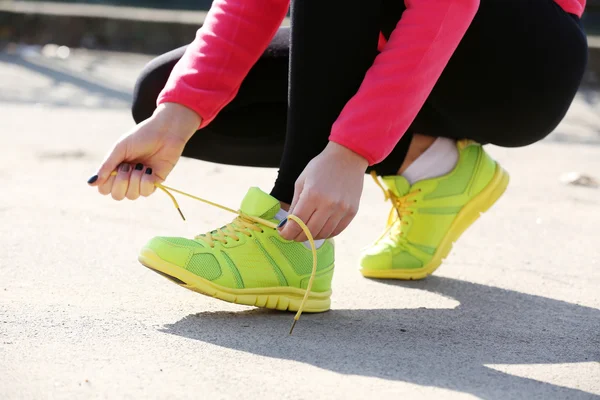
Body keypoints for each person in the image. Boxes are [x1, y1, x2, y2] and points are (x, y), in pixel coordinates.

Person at [87, 0, 587, 313]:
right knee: (164, 96)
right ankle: (435, 169)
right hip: (401, 44)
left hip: (518, 64)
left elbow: (446, 6)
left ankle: (289, 238)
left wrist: (352, 151)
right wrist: (177, 115)